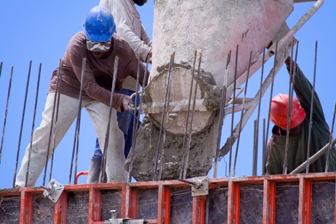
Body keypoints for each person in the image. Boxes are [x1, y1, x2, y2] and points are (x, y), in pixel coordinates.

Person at [15, 6, 148, 187]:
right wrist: (118, 100)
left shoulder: (123, 49)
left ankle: (118, 186)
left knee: (113, 137)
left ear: (112, 37)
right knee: (47, 133)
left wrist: (158, 90)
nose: (98, 50)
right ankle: (22, 185)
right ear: (86, 36)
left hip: (102, 92)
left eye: (103, 44)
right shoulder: (77, 44)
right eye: (93, 44)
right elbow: (89, 87)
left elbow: (143, 75)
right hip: (68, 88)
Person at [87, 0, 152, 183]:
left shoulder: (131, 9)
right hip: (117, 84)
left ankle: (117, 183)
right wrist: (148, 53)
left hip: (132, 85)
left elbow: (145, 40)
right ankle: (98, 186)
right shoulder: (117, 1)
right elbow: (124, 33)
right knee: (111, 138)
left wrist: (158, 50)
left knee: (130, 139)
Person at [265, 56, 336, 174]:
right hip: (305, 191)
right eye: (291, 127)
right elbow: (270, 183)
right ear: (280, 126)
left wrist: (283, 55)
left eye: (297, 122)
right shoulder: (275, 147)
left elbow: (302, 85)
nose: (296, 127)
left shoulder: (313, 118)